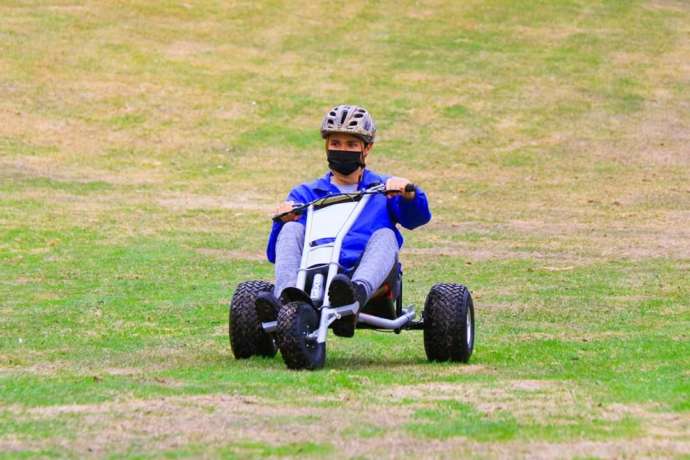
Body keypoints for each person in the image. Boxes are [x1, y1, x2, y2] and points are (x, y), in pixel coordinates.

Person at [255, 104, 431, 336]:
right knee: (290, 229)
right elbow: (275, 255)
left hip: (367, 279)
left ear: (366, 149)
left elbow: (417, 218)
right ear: (327, 146)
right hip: (313, 274)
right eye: (336, 143)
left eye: (351, 144)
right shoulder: (305, 194)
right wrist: (281, 222)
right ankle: (285, 301)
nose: (342, 150)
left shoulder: (384, 189)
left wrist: (409, 194)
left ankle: (351, 299)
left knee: (386, 235)